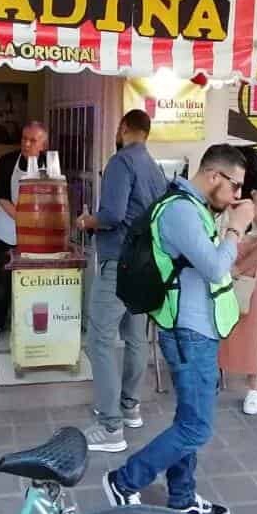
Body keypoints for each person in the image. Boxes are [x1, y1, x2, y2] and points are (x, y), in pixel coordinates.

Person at [103, 145, 254, 514]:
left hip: (198, 329)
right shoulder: (181, 211)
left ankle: (182, 496)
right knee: (196, 428)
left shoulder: (194, 206)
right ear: (215, 176)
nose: (237, 195)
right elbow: (215, 267)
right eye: (235, 185)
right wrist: (236, 227)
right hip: (189, 333)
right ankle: (124, 481)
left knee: (189, 419)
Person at [76, 109, 168, 452]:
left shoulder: (121, 162)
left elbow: (112, 215)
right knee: (135, 337)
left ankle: (110, 426)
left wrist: (87, 221)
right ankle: (130, 407)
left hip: (118, 262)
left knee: (98, 340)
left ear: (124, 127)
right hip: (145, 265)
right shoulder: (155, 169)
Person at [218, 147, 257, 416]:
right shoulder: (230, 192)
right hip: (224, 261)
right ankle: (216, 373)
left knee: (249, 328)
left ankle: (253, 387)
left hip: (247, 267)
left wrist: (240, 268)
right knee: (220, 324)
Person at [0, 121, 48, 344]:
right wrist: (22, 220)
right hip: (6, 229)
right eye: (24, 139)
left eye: (33, 140)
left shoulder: (50, 165)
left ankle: (27, 325)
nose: (26, 144)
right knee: (1, 281)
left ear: (43, 144)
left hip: (37, 234)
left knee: (32, 281)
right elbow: (1, 197)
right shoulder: (7, 161)